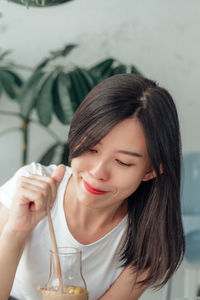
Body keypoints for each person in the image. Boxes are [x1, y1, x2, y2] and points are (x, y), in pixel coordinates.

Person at [0, 73, 185, 300]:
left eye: (123, 162)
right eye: (90, 148)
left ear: (151, 171)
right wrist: (16, 231)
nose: (97, 173)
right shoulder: (30, 186)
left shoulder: (148, 241)